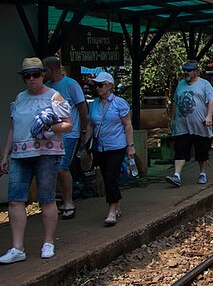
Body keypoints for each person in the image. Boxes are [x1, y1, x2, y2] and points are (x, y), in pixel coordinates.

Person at [0, 57, 72, 263]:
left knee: (46, 198)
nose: (32, 79)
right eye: (27, 76)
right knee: (15, 199)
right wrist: (5, 154)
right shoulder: (20, 98)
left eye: (36, 75)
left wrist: (50, 127)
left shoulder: (54, 97)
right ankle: (17, 247)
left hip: (46, 154)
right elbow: (13, 128)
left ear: (43, 75)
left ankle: (48, 242)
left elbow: (68, 124)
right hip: (20, 154)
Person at [83, 72, 135, 226]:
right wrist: (87, 146)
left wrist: (130, 147)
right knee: (107, 177)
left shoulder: (120, 103)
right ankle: (116, 202)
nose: (97, 88)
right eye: (96, 85)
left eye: (100, 85)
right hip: (100, 146)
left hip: (117, 145)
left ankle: (111, 210)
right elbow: (90, 125)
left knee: (111, 175)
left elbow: (128, 125)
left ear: (109, 86)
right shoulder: (94, 104)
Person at [43, 56, 88, 220]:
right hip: (51, 134)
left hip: (69, 134)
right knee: (53, 168)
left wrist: (83, 131)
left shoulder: (70, 84)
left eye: (43, 70)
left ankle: (69, 202)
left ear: (52, 69)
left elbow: (83, 108)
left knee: (62, 167)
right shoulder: (46, 87)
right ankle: (61, 199)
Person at [166, 60, 213, 187]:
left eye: (189, 70)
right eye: (185, 70)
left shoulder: (205, 84)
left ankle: (202, 173)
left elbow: (212, 100)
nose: (187, 73)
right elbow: (175, 102)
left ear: (195, 71)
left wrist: (209, 116)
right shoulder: (180, 85)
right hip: (182, 125)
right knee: (180, 149)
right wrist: (172, 119)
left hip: (200, 125)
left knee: (202, 151)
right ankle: (177, 175)